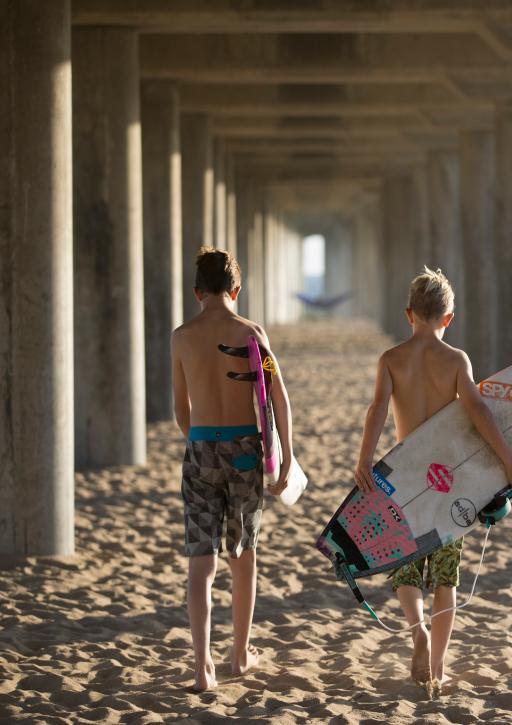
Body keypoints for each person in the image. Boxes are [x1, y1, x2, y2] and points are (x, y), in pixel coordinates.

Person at [352, 266, 512, 694]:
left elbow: (377, 409)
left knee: (407, 570)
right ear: (448, 318)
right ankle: (437, 667)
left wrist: (364, 460)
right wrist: (508, 461)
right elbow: (478, 411)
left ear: (407, 314)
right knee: (446, 576)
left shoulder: (391, 359)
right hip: (448, 480)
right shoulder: (456, 360)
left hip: (405, 478)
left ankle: (418, 634)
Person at [171, 248, 295, 692]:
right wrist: (287, 456)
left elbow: (180, 409)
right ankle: (240, 654)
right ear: (236, 291)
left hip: (202, 447)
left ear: (197, 291)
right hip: (245, 449)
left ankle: (202, 666)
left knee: (200, 562)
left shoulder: (181, 337)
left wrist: (200, 440)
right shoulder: (251, 333)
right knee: (242, 555)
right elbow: (279, 397)